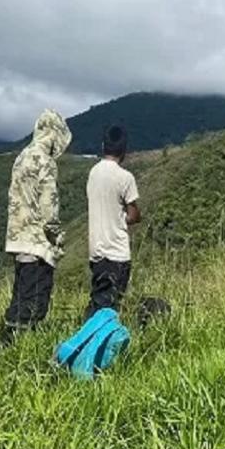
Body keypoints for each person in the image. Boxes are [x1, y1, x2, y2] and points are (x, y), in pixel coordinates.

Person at [2, 108, 72, 335]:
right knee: (34, 302)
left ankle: (8, 342)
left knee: (21, 295)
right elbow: (48, 206)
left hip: (18, 239)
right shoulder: (46, 162)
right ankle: (20, 348)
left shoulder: (21, 157)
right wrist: (57, 236)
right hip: (38, 243)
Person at [84, 125, 140, 320]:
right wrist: (123, 215)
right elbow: (133, 215)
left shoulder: (93, 173)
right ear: (124, 149)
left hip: (96, 251)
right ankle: (93, 344)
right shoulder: (125, 178)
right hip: (116, 252)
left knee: (99, 299)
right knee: (109, 307)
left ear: (103, 146)